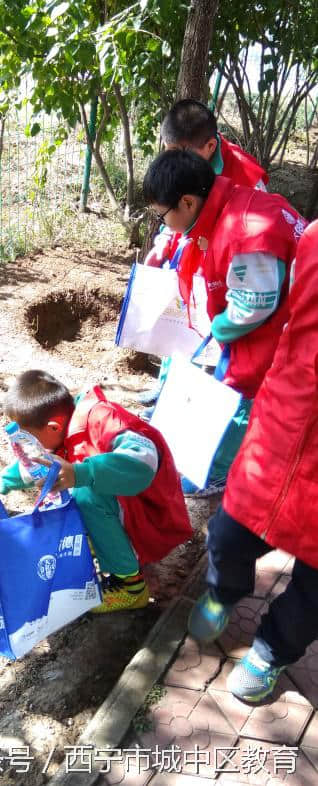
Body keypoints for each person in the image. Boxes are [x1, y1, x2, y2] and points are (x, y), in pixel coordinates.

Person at [188, 219, 318, 703]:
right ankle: (224, 593)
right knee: (229, 530)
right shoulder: (314, 240)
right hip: (286, 418)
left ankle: (271, 649)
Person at [141, 150, 305, 491]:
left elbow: (253, 305)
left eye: (162, 216)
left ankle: (215, 473)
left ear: (187, 202)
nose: (164, 224)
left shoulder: (248, 233)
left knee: (238, 391)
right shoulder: (233, 202)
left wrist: (219, 328)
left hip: (283, 324)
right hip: (279, 314)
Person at [0, 370, 191, 613]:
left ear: (53, 427)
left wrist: (80, 474)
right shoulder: (62, 430)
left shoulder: (104, 419)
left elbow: (144, 462)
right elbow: (40, 464)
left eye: (29, 440)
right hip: (125, 508)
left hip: (150, 517)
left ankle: (130, 587)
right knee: (71, 494)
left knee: (83, 496)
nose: (26, 447)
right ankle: (101, 543)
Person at [140, 100, 270, 419]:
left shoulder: (248, 177)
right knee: (180, 319)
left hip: (230, 266)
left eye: (181, 152)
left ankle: (196, 401)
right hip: (192, 249)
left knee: (210, 333)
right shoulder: (178, 156)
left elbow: (257, 245)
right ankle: (167, 386)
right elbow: (173, 206)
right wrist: (165, 242)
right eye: (169, 151)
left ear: (210, 146)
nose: (174, 160)